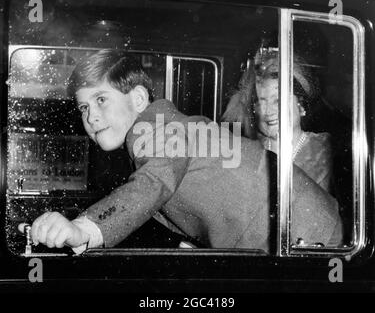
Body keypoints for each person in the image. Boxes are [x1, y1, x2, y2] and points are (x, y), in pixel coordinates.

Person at [24, 49, 342, 254]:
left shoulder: (155, 128)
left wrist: (82, 228)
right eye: (83, 107)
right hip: (293, 235)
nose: (91, 116)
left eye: (101, 100)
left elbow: (151, 186)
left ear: (137, 100)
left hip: (306, 237)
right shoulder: (166, 128)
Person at [222, 47, 333, 192]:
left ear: (301, 106)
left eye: (278, 101)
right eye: (261, 102)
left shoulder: (324, 150)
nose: (268, 111)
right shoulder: (247, 151)